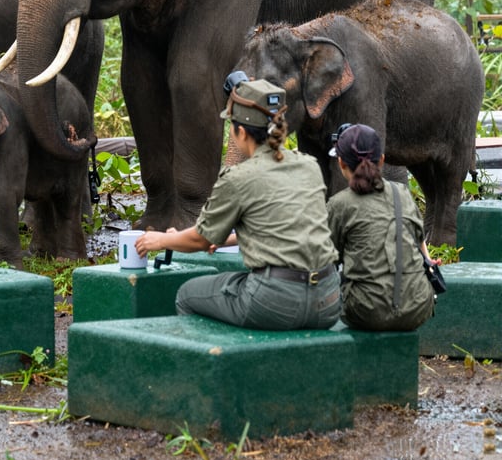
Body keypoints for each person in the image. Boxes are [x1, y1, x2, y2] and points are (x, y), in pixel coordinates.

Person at [135, 76, 341, 330]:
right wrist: (230, 239)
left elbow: (201, 239)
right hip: (329, 298)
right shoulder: (309, 166)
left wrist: (161, 241)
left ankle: (217, 364)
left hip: (275, 302)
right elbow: (289, 227)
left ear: (240, 132)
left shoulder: (239, 177)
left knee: (188, 295)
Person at [326, 123, 435, 331]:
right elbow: (420, 245)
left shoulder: (339, 204)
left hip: (367, 311)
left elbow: (327, 259)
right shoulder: (401, 192)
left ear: (341, 163)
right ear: (382, 160)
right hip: (418, 305)